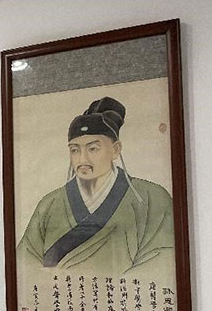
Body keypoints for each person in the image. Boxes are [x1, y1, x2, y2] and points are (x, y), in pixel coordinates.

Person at [17, 97, 174, 275]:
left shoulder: (152, 198)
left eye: (93, 149)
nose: (82, 159)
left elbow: (162, 260)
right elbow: (24, 264)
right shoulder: (49, 204)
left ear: (115, 149)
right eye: (75, 150)